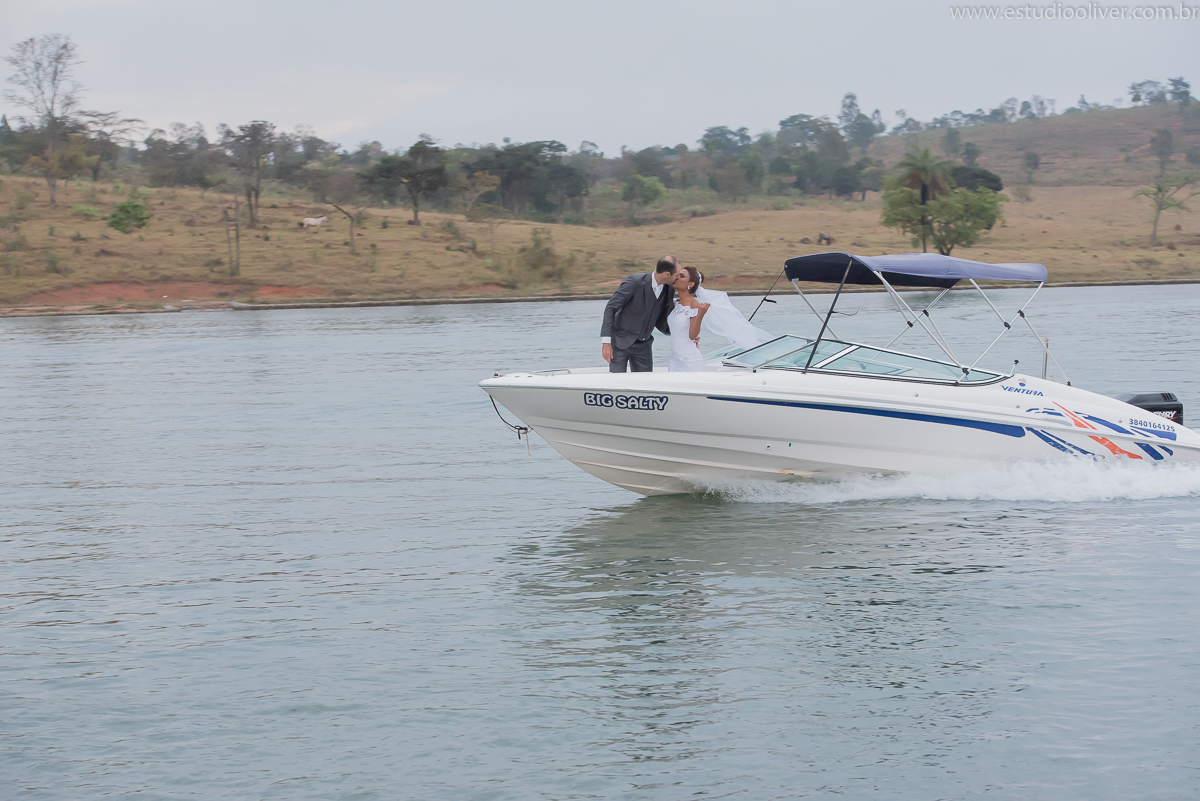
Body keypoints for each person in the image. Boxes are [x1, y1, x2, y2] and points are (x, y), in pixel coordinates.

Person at [600, 256, 682, 372]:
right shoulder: (634, 282)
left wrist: (685, 334)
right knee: (617, 380)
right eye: (677, 274)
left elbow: (663, 318)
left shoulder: (669, 289)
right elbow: (611, 308)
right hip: (620, 343)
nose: (678, 277)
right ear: (667, 274)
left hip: (644, 346)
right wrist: (606, 343)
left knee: (646, 381)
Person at [666, 266, 710, 372]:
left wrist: (700, 315)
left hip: (689, 361)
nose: (677, 277)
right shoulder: (674, 303)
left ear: (690, 284)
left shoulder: (694, 305)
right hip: (674, 359)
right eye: (677, 274)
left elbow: (692, 336)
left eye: (682, 276)